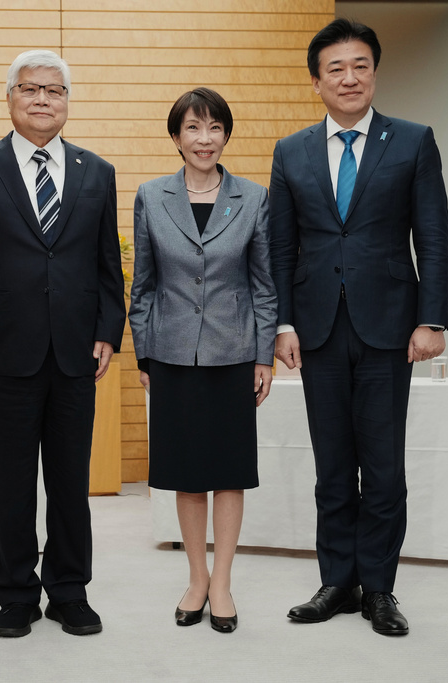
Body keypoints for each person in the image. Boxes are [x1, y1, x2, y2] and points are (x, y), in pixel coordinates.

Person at [269, 18, 448, 636]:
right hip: (316, 328)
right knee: (331, 464)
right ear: (315, 80)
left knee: (384, 465)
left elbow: (432, 234)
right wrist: (283, 322)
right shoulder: (290, 151)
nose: (349, 78)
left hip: (390, 328)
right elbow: (282, 247)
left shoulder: (413, 141)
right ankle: (336, 582)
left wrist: (431, 318)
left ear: (374, 71)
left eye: (361, 66)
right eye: (336, 69)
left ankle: (379, 588)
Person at [0, 50, 126, 639]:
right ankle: (16, 594)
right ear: (10, 97)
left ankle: (70, 590)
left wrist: (107, 330)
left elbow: (105, 268)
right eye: (31, 88)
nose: (43, 98)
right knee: (12, 480)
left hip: (76, 352)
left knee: (71, 480)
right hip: (3, 353)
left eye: (55, 90)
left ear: (68, 102)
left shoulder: (98, 172)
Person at [128, 88, 277, 634]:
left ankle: (223, 582)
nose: (204, 138)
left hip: (234, 352)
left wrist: (264, 354)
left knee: (229, 473)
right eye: (193, 128)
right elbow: (142, 284)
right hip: (169, 354)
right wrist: (143, 351)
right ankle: (195, 577)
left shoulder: (254, 198)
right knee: (187, 474)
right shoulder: (151, 195)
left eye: (214, 128)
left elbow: (264, 284)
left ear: (226, 135)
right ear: (176, 137)